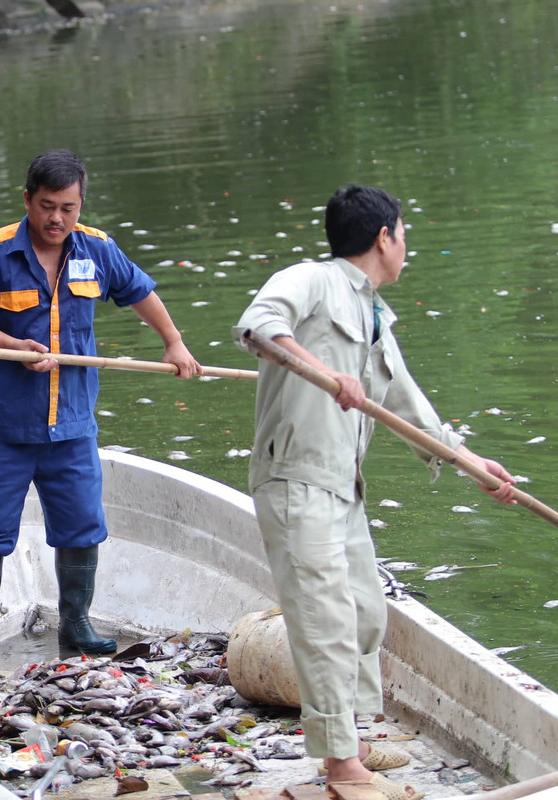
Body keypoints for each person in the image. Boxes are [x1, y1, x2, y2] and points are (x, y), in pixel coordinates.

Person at [232, 184, 516, 800]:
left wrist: (475, 466)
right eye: (404, 234)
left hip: (344, 488)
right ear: (383, 237)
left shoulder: (375, 316)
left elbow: (410, 408)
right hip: (295, 479)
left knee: (365, 609)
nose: (406, 246)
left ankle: (352, 738)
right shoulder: (310, 279)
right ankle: (340, 766)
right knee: (326, 619)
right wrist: (325, 372)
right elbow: (258, 327)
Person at [0, 149, 201, 668]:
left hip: (72, 423)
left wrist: (173, 342)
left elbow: (140, 292)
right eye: (47, 206)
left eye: (68, 207)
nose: (57, 219)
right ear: (27, 200)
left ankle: (77, 621)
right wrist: (15, 347)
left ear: (81, 204)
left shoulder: (97, 248)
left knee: (82, 522)